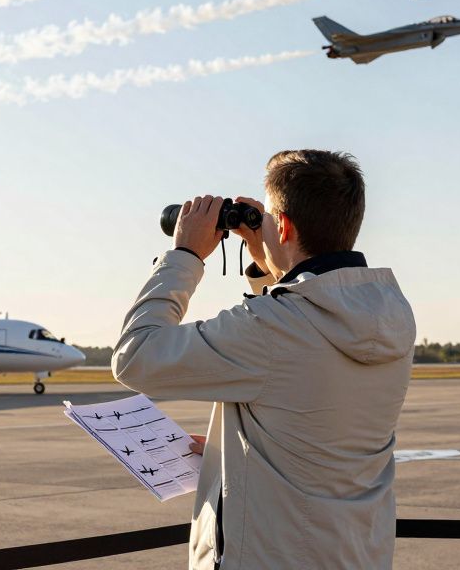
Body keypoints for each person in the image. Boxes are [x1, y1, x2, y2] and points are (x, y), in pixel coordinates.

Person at [112, 149, 417, 570]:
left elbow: (136, 357)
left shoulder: (274, 328)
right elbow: (302, 402)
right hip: (354, 554)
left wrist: (185, 255)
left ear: (285, 226)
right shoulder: (388, 317)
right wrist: (231, 453)